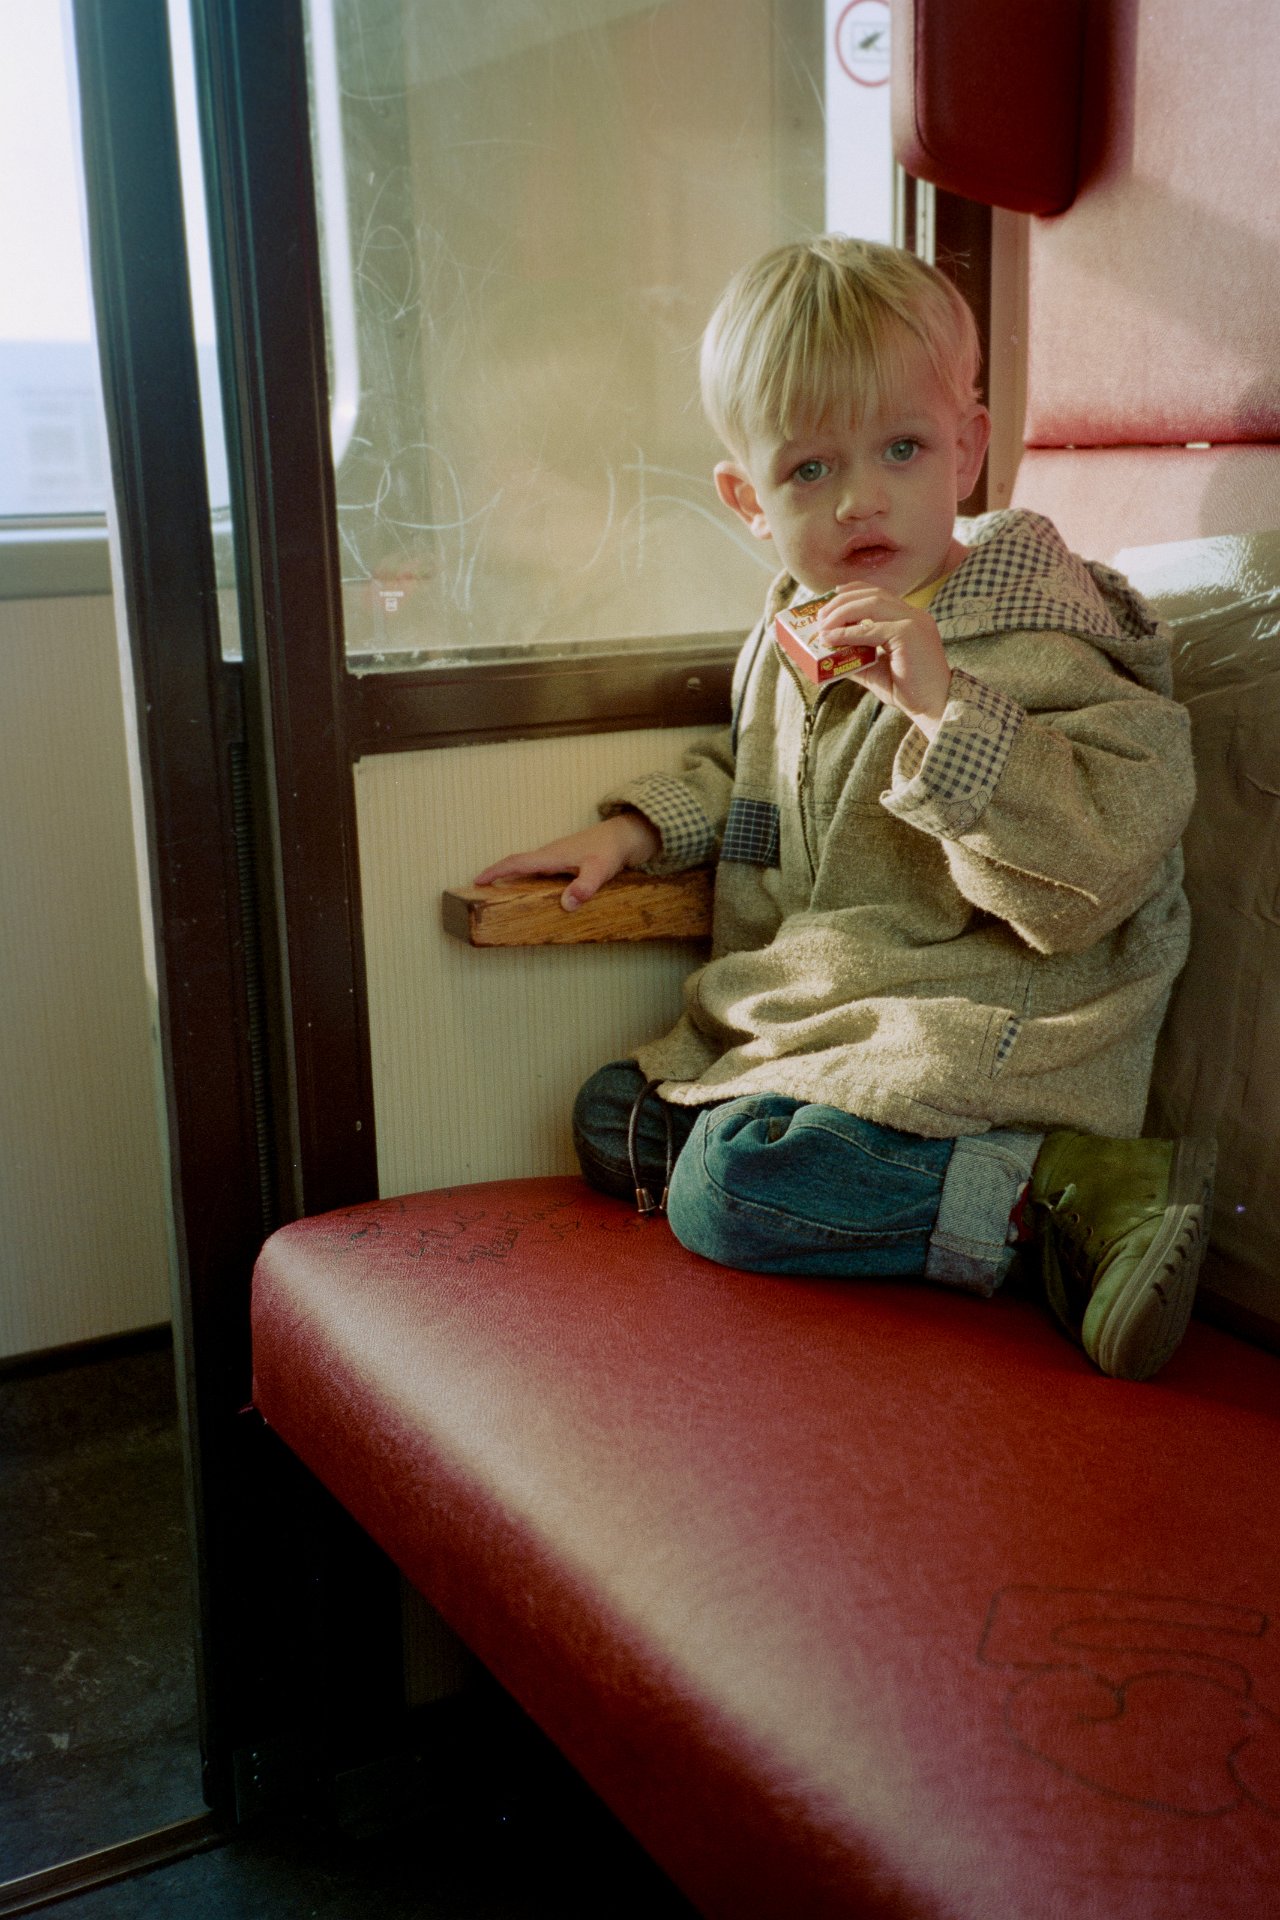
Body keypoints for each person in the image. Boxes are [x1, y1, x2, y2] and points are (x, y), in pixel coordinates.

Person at [475, 235, 1213, 1384]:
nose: (860, 498)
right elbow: (755, 779)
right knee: (612, 1118)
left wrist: (943, 709)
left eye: (900, 449)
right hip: (839, 1009)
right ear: (747, 499)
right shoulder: (794, 630)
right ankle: (896, 1181)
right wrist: (632, 832)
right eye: (809, 469)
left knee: (723, 1185)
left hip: (986, 1017)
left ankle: (1062, 1189)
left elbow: (1104, 852)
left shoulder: (1039, 630)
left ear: (965, 448)